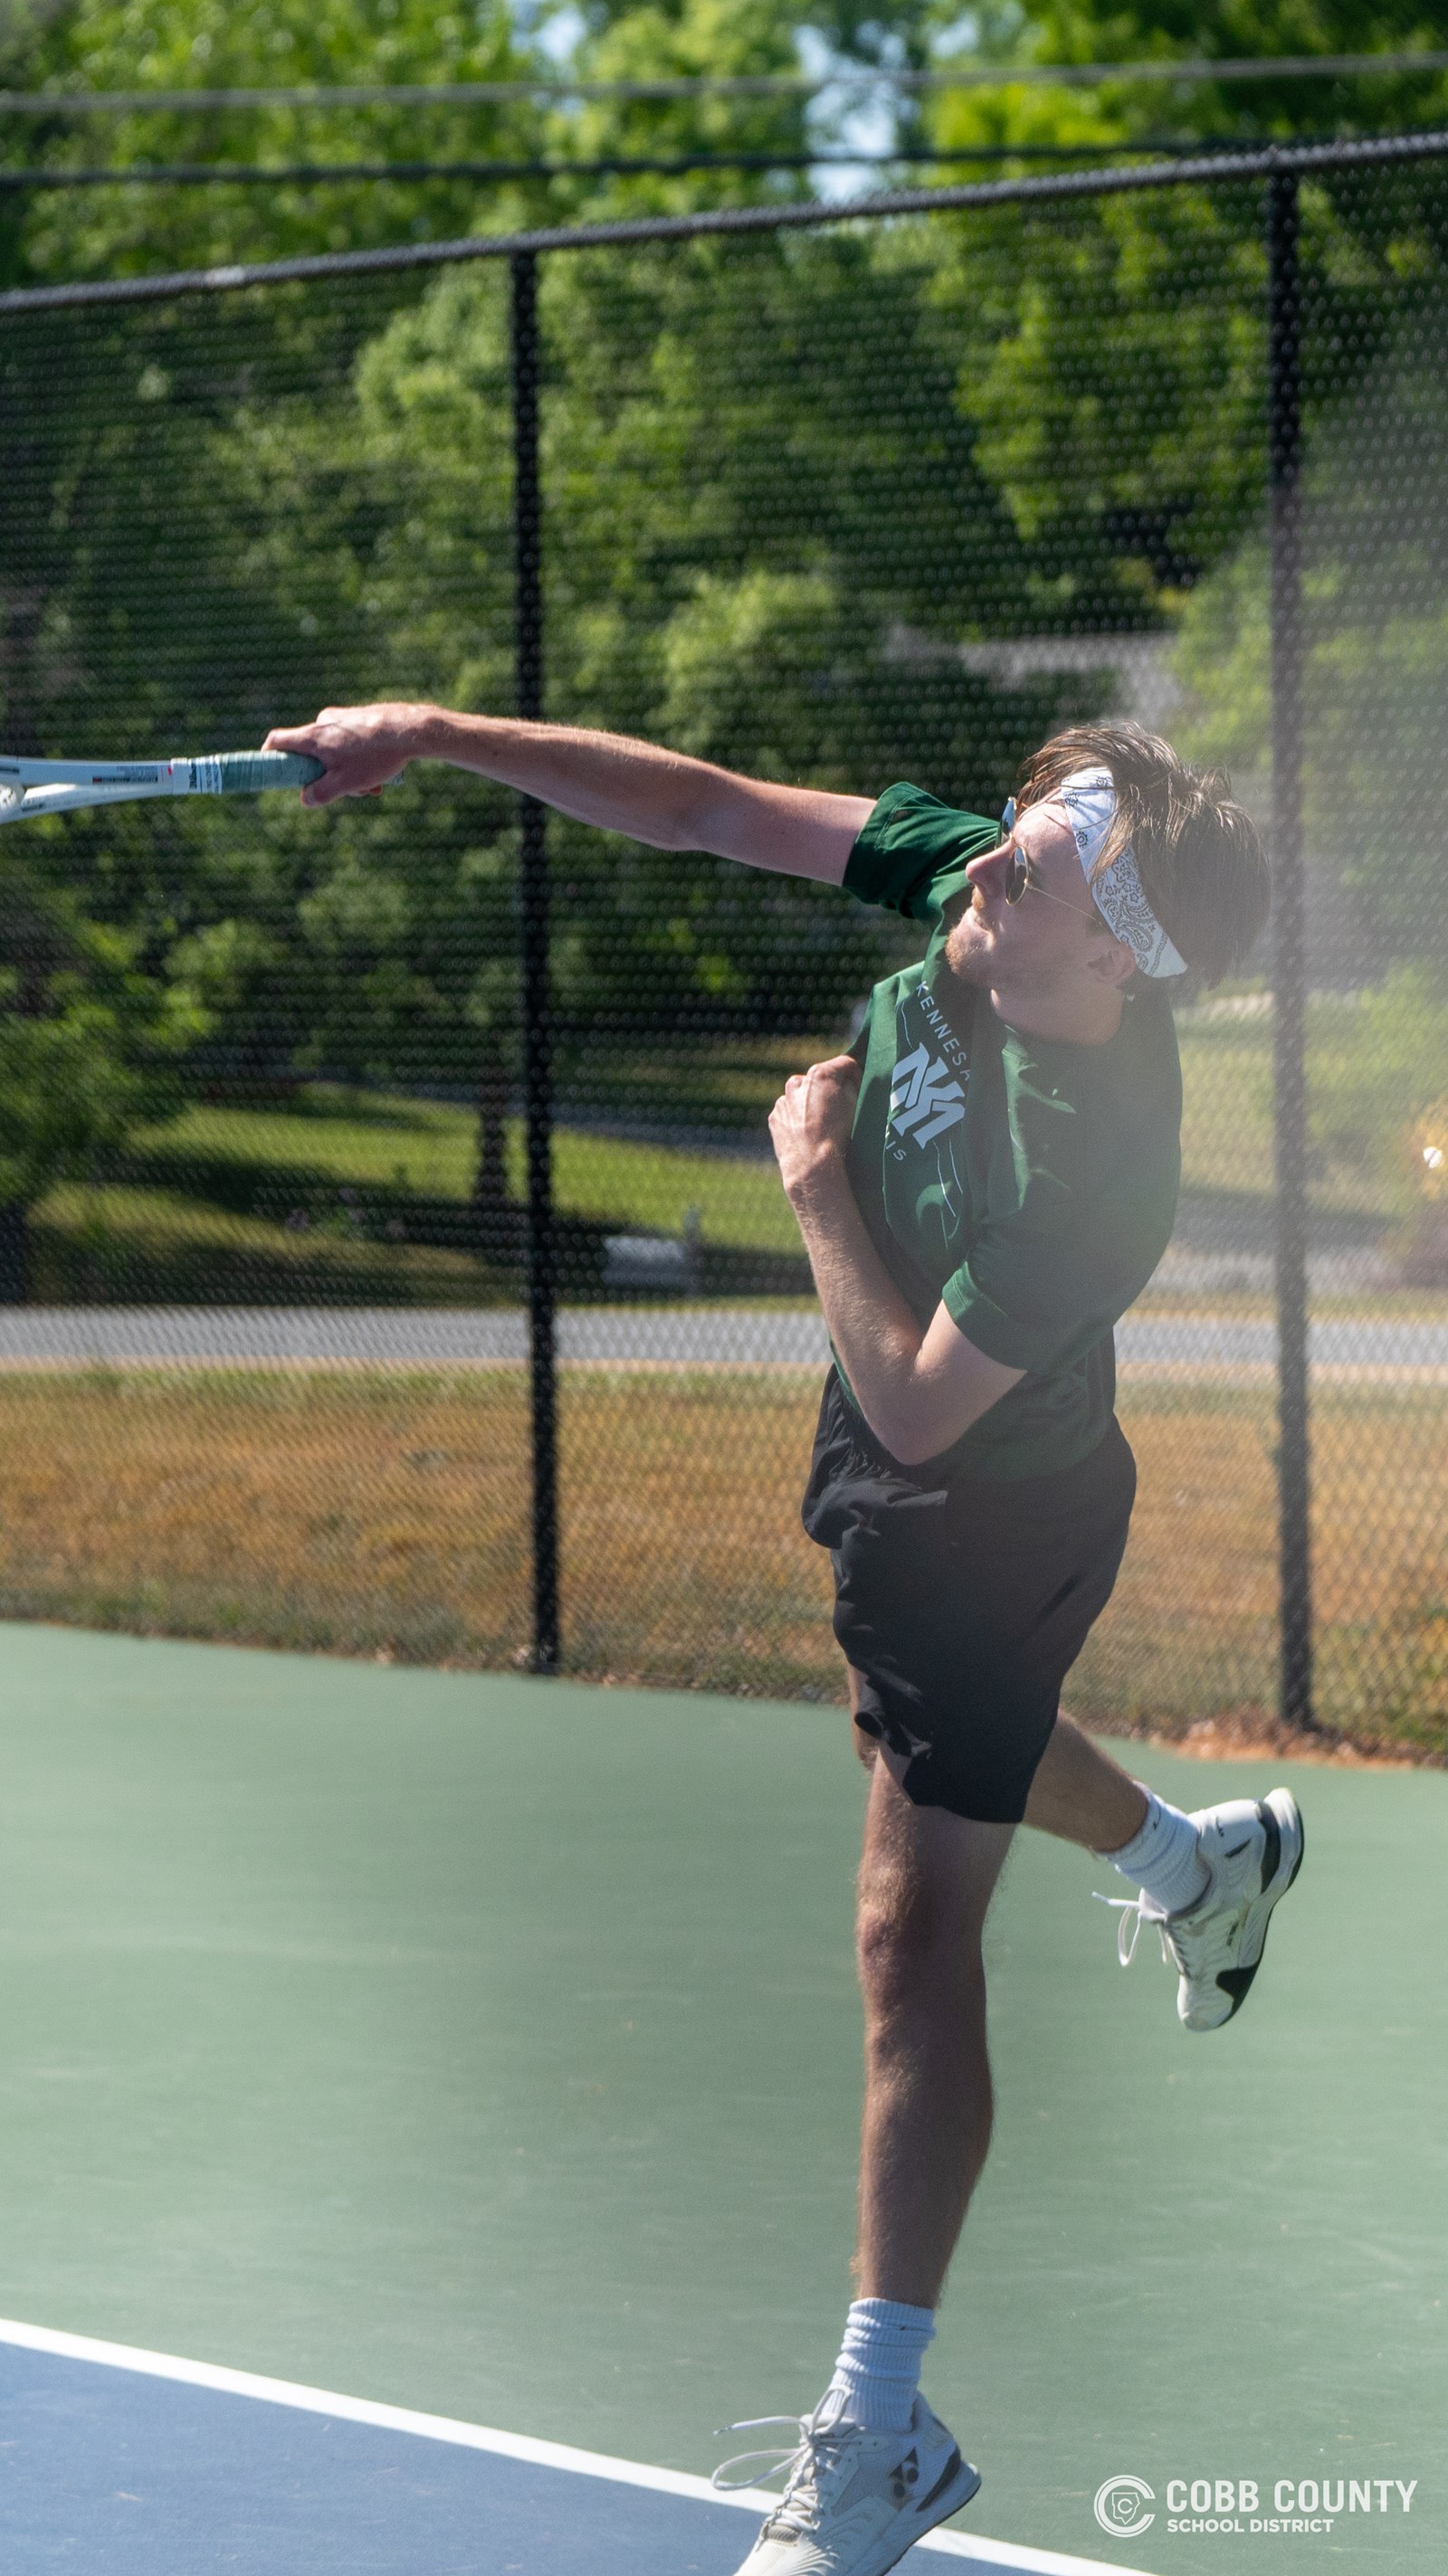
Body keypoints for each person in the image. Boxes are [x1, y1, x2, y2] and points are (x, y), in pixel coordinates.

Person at [268, 703, 1306, 2576]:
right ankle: (1193, 1861)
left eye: (1036, 864)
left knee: (909, 1940)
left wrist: (812, 1181)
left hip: (990, 1510)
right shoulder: (988, 889)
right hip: (899, 1480)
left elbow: (919, 1403)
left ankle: (877, 2429)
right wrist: (426, 735)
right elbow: (701, 802)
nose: (981, 863)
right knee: (907, 1754)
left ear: (1114, 955)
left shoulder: (1102, 1167)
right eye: (1003, 833)